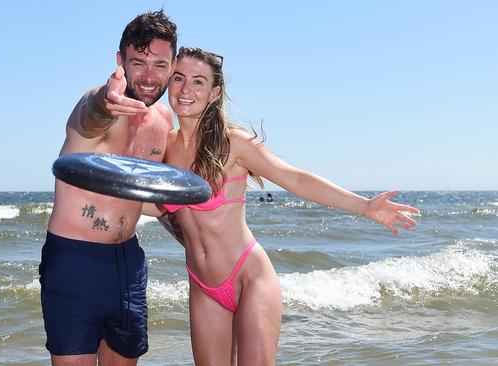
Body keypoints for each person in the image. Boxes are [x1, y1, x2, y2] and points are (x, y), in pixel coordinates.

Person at [154, 47, 420, 365]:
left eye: (198, 82)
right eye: (179, 78)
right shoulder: (162, 148)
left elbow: (295, 179)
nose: (186, 90)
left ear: (214, 92)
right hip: (203, 284)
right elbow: (152, 205)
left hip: (249, 277)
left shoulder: (232, 143)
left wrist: (364, 206)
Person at [40, 10, 177, 366]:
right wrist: (105, 99)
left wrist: (201, 244)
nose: (149, 77)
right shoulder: (94, 105)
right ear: (120, 62)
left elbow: (150, 197)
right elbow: (91, 115)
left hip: (128, 263)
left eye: (160, 65)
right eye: (138, 62)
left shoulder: (163, 121)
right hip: (74, 259)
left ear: (173, 65)